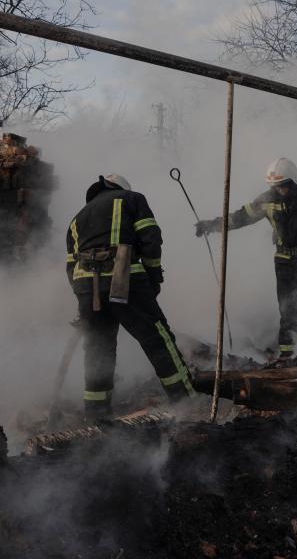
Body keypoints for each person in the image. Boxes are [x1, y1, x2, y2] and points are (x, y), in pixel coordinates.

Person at [66, 173, 196, 420]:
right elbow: (150, 238)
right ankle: (186, 402)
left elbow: (71, 265)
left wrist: (83, 300)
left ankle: (96, 415)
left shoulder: (77, 218)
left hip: (86, 288)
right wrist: (153, 277)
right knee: (157, 338)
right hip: (123, 280)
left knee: (98, 349)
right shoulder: (131, 199)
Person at [195, 158, 297, 358]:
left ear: (294, 181)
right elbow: (240, 217)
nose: (280, 190)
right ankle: (288, 357)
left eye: (283, 186)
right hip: (284, 263)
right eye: (276, 186)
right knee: (288, 313)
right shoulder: (268, 199)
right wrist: (212, 225)